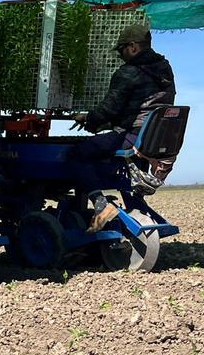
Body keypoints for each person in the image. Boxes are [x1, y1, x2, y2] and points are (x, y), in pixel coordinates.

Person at [71, 23, 176, 232]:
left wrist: (89, 119)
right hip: (154, 139)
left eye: (122, 50)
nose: (121, 56)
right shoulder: (165, 69)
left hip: (133, 136)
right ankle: (135, 205)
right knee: (116, 158)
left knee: (76, 153)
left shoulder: (128, 72)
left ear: (134, 47)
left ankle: (100, 205)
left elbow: (108, 109)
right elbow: (139, 106)